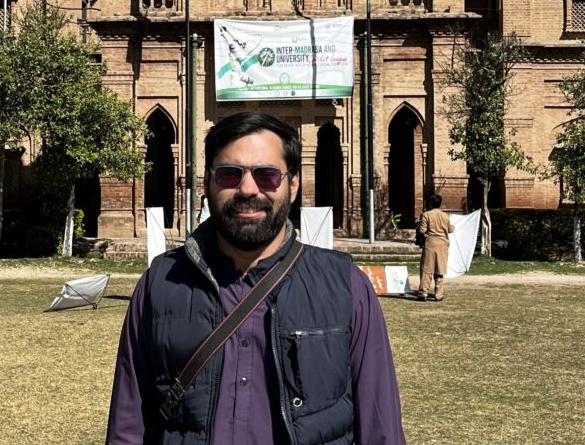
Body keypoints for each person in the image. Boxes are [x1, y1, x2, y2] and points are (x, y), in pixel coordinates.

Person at [106, 111, 407, 445]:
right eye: (229, 174)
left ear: (292, 185)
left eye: (267, 176)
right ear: (207, 183)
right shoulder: (160, 285)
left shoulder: (346, 287)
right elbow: (128, 426)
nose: (247, 189)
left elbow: (381, 430)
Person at [415, 194, 452, 302]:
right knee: (440, 269)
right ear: (440, 204)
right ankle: (438, 294)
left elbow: (422, 230)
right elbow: (450, 229)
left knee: (427, 269)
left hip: (430, 244)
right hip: (443, 245)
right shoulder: (445, 216)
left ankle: (423, 292)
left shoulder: (427, 215)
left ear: (430, 204)